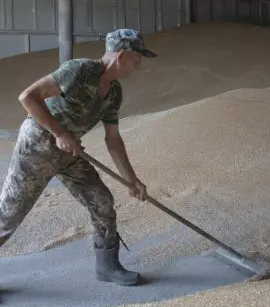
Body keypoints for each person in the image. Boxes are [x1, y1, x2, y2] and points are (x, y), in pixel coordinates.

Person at [0, 29, 157, 287]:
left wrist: (132, 180)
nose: (139, 64)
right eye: (137, 58)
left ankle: (107, 266)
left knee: (102, 201)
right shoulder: (79, 71)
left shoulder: (114, 93)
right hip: (37, 145)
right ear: (122, 55)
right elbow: (27, 97)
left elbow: (113, 140)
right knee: (8, 216)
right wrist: (60, 132)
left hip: (69, 152)